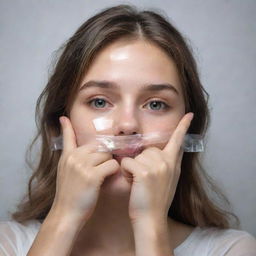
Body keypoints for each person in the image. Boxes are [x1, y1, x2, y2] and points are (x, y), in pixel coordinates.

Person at [0, 4, 255, 256]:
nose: (127, 125)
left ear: (187, 128)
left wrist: (150, 226)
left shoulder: (231, 249)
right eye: (99, 101)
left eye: (156, 104)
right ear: (60, 123)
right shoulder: (9, 244)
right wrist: (64, 218)